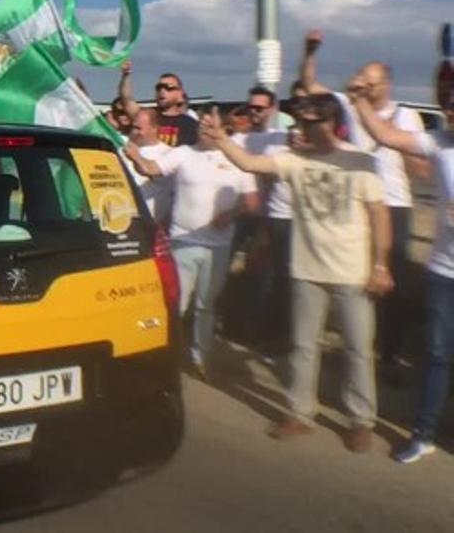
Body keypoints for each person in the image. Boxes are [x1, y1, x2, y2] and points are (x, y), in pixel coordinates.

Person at [202, 94, 392, 453]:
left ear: (332, 123)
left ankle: (360, 420)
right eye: (299, 120)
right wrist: (222, 138)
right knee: (303, 347)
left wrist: (381, 264)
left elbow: (380, 215)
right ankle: (300, 413)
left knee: (358, 349)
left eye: (310, 120)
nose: (301, 127)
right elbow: (249, 163)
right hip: (307, 270)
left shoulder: (360, 162)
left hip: (353, 272)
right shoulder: (293, 161)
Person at [298, 30, 427, 383]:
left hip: (394, 205)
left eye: (371, 83)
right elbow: (309, 83)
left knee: (391, 280)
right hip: (358, 205)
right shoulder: (350, 105)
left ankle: (390, 354)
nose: (365, 88)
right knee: (358, 278)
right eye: (362, 81)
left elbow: (416, 162)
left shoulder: (404, 116)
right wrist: (311, 51)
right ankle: (359, 346)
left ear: (385, 84)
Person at [346, 76, 454, 463]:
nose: (451, 113)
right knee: (437, 353)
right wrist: (359, 102)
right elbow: (385, 134)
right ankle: (423, 433)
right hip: (443, 272)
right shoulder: (439, 144)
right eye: (449, 107)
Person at [124, 114, 260, 379]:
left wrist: (231, 214)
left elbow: (253, 203)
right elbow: (152, 169)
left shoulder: (238, 158)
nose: (204, 131)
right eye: (201, 126)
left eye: (210, 126)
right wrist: (135, 156)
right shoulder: (183, 153)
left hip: (218, 246)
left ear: (223, 128)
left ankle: (201, 358)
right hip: (182, 241)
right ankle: (165, 357)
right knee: (176, 305)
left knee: (206, 305)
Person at [233, 86, 294, 354]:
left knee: (271, 277)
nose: (254, 113)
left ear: (272, 108)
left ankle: (269, 333)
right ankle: (241, 326)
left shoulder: (281, 139)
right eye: (251, 108)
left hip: (276, 218)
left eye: (260, 108)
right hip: (243, 215)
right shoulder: (239, 140)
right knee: (243, 273)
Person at [117, 59, 199, 147]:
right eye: (159, 87)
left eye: (169, 88)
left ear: (180, 94)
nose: (162, 91)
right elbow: (126, 99)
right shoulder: (147, 117)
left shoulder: (191, 124)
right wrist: (125, 76)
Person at [125, 108, 172, 226]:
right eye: (133, 127)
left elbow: (149, 171)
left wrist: (136, 158)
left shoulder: (168, 155)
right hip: (125, 220)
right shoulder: (124, 150)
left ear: (154, 128)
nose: (135, 132)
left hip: (150, 225)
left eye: (139, 128)